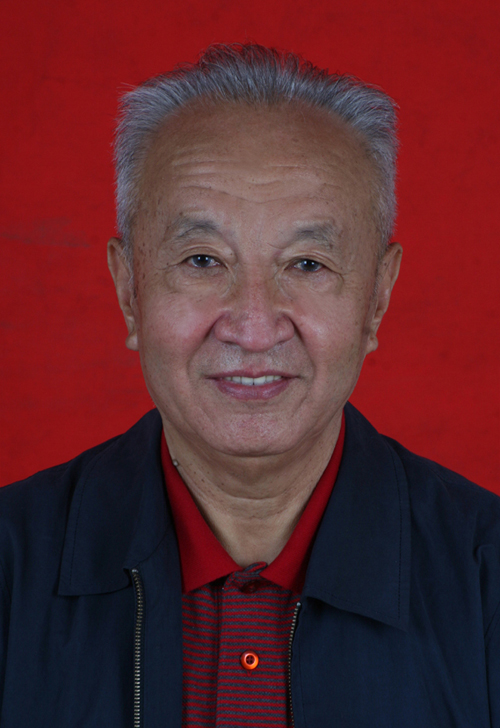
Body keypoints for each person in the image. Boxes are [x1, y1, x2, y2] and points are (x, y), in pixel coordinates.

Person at [0, 43, 498, 728]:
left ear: (377, 299)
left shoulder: (484, 576)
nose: (255, 328)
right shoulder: (12, 566)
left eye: (307, 264)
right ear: (129, 290)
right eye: (203, 260)